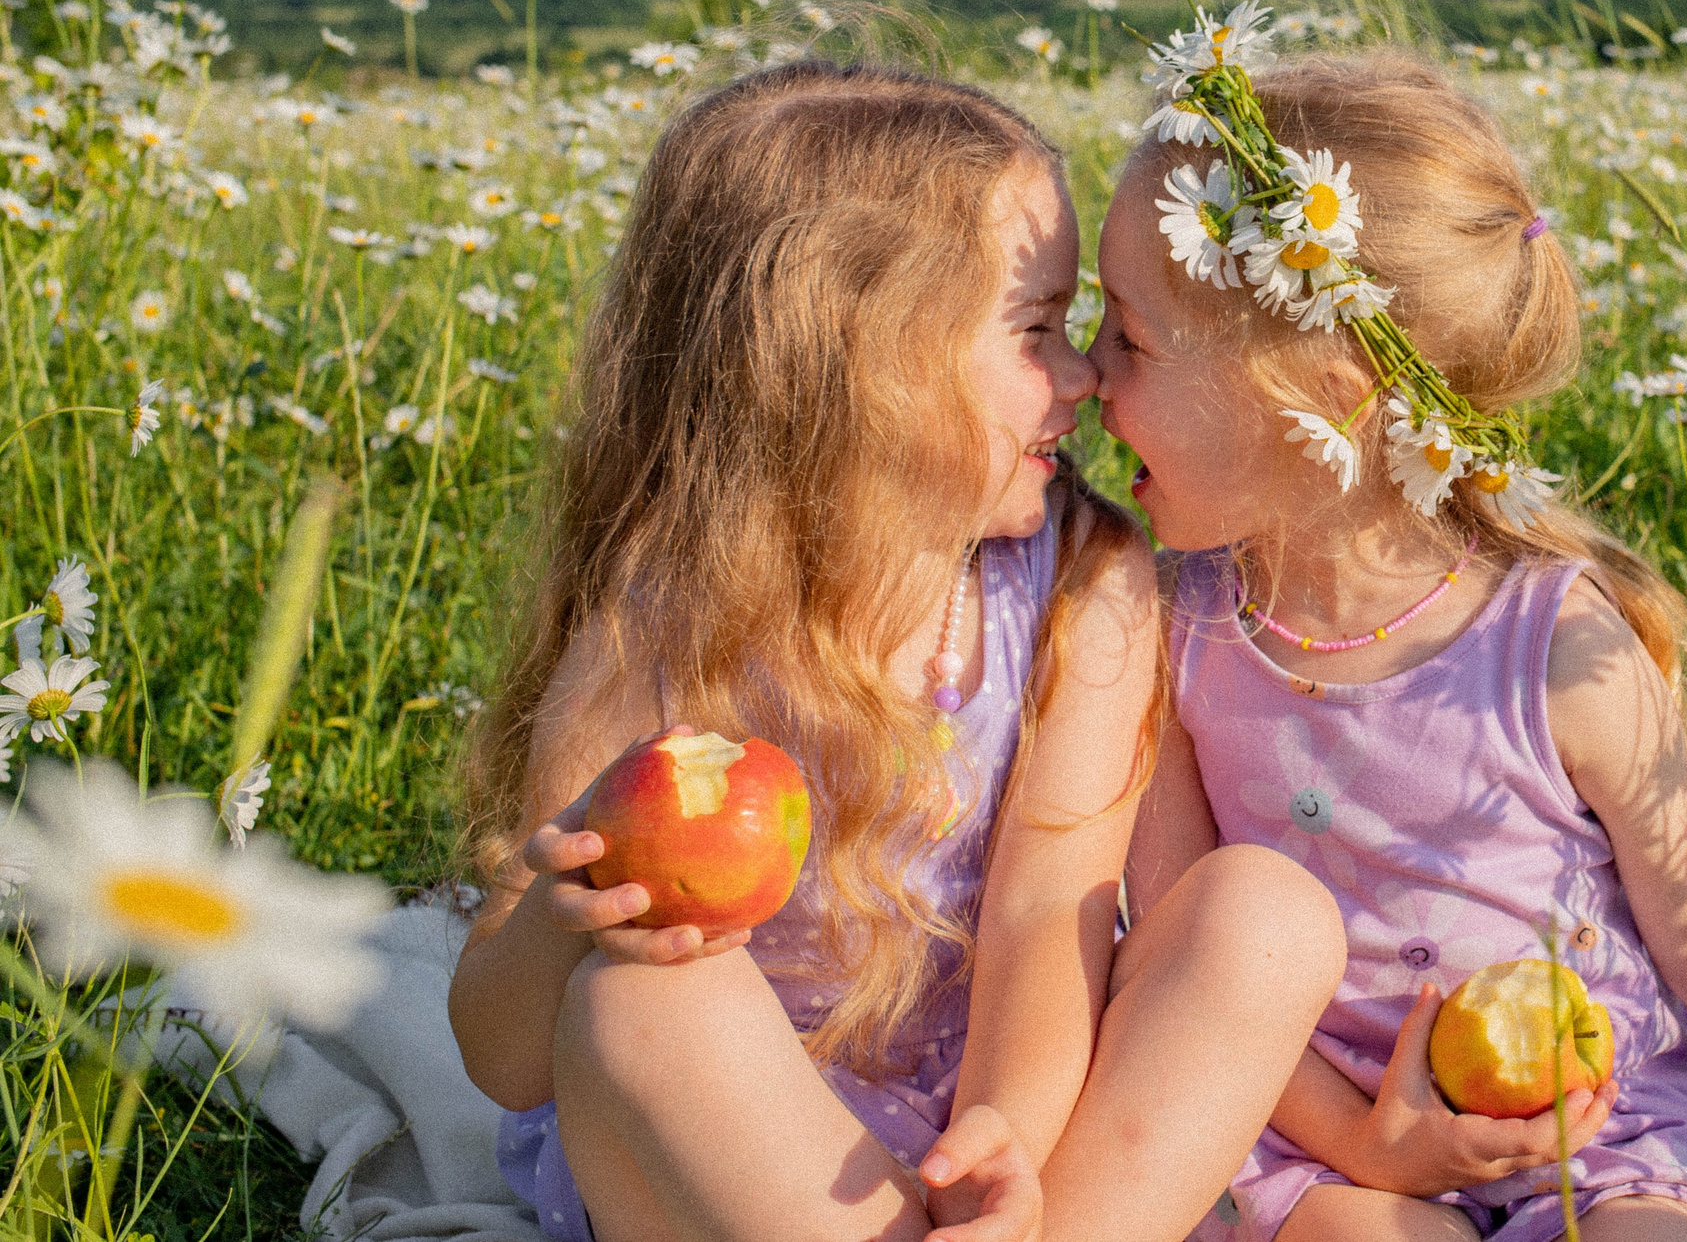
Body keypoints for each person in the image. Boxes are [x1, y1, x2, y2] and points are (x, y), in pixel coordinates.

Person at [448, 60, 1346, 1242]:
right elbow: (504, 1058)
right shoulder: (666, 619)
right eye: (1036, 330)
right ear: (861, 368)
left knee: (1263, 914)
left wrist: (1002, 1146)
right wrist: (558, 919)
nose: (1082, 375)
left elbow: (1042, 921)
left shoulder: (1082, 580)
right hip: (736, 1154)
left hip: (984, 1109)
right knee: (643, 1007)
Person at [1091, 23, 1687, 1242]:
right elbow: (1178, 960)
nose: (1087, 374)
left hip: (1600, 1131)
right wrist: (1362, 1145)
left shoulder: (1552, 643)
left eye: (1128, 339)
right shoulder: (1169, 636)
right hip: (1330, 1141)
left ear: (1318, 399)